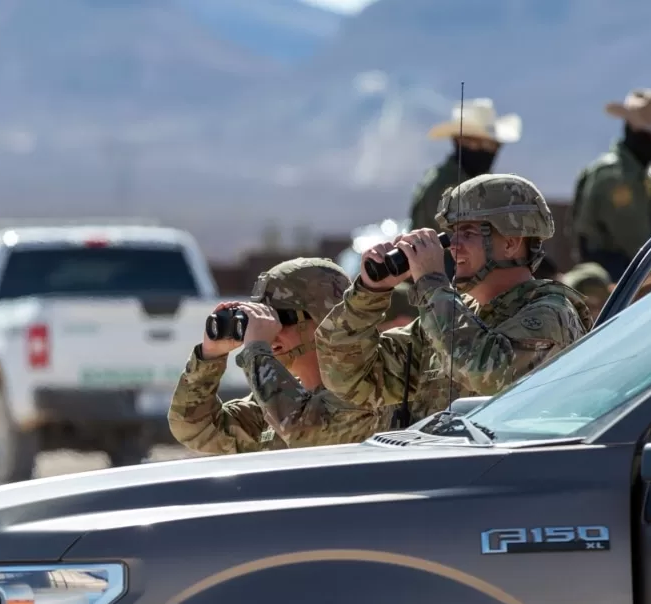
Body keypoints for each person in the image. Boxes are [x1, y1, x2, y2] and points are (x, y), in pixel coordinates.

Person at [316, 174, 593, 423]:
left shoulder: (552, 315)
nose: (452, 247)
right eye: (452, 234)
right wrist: (369, 293)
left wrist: (432, 284)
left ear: (511, 243)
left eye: (469, 233)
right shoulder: (448, 316)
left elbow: (487, 374)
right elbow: (348, 378)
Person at [168, 258, 393, 453]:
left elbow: (307, 434)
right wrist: (210, 356)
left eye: (280, 318)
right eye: (262, 319)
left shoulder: (367, 393)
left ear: (325, 321)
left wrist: (256, 349)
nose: (270, 331)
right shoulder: (271, 402)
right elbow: (193, 428)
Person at [571, 88, 651, 281]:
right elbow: (637, 244)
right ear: (632, 131)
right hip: (617, 284)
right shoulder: (614, 176)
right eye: (649, 135)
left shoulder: (645, 176)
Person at [411, 98, 521, 252]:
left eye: (493, 145)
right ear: (459, 141)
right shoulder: (447, 187)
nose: (488, 151)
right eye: (478, 143)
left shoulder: (472, 183)